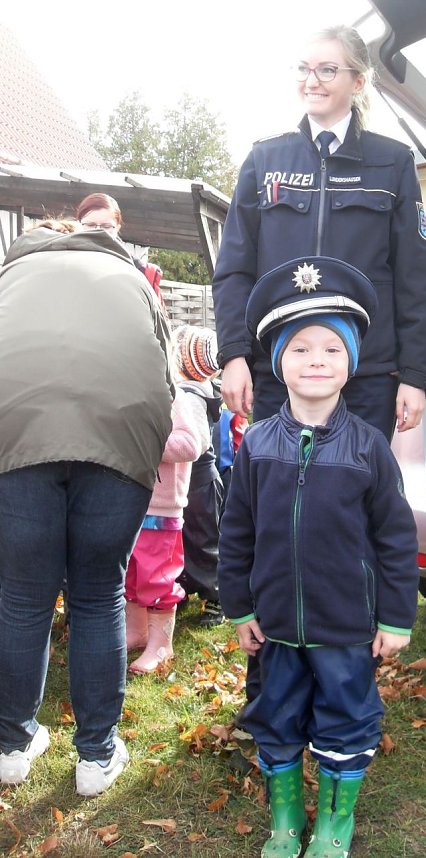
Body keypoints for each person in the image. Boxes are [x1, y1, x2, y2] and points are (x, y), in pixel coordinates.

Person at [217, 256, 419, 857]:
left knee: (345, 720)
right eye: (300, 349)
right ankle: (284, 818)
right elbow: (237, 532)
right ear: (279, 361)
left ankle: (334, 821)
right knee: (274, 717)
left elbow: (395, 538)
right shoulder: (257, 444)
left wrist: (395, 617)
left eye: (332, 349)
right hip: (275, 625)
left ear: (350, 364)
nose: (316, 361)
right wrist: (239, 606)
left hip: (346, 628)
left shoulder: (369, 449)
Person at [0, 221, 174, 796]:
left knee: (23, 597)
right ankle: (97, 757)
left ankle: (11, 746)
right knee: (98, 595)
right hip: (120, 435)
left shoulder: (10, 272)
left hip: (16, 434)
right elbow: (165, 374)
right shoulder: (133, 278)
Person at [212, 24, 426, 441]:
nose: (311, 81)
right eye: (303, 68)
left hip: (366, 375)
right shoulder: (264, 159)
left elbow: (414, 278)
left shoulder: (392, 162)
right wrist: (234, 356)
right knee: (277, 496)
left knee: (356, 499)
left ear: (358, 81)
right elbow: (233, 269)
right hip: (279, 369)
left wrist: (415, 375)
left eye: (327, 70)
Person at [126, 339, 209, 673]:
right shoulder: (128, 394)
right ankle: (137, 630)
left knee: (156, 575)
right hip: (132, 501)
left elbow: (192, 444)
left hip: (161, 507)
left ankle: (162, 644)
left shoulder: (174, 397)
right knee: (132, 571)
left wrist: (145, 442)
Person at [173, 325, 227, 627]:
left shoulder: (192, 396)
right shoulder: (203, 390)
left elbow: (198, 444)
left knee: (204, 540)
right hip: (193, 480)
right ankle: (181, 589)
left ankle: (215, 597)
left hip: (199, 480)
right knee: (182, 537)